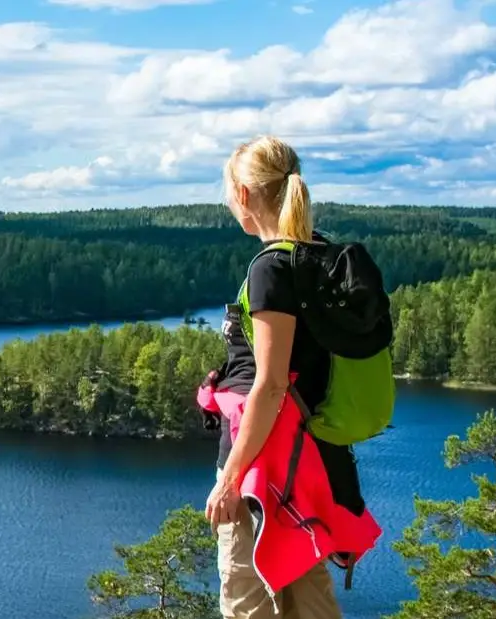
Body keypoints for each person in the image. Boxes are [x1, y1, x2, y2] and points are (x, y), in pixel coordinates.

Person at [201, 135, 371, 619]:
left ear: (246, 196)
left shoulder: (271, 269)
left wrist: (231, 479)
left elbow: (272, 383)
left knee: (247, 601)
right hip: (307, 460)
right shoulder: (319, 256)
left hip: (262, 469)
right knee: (307, 597)